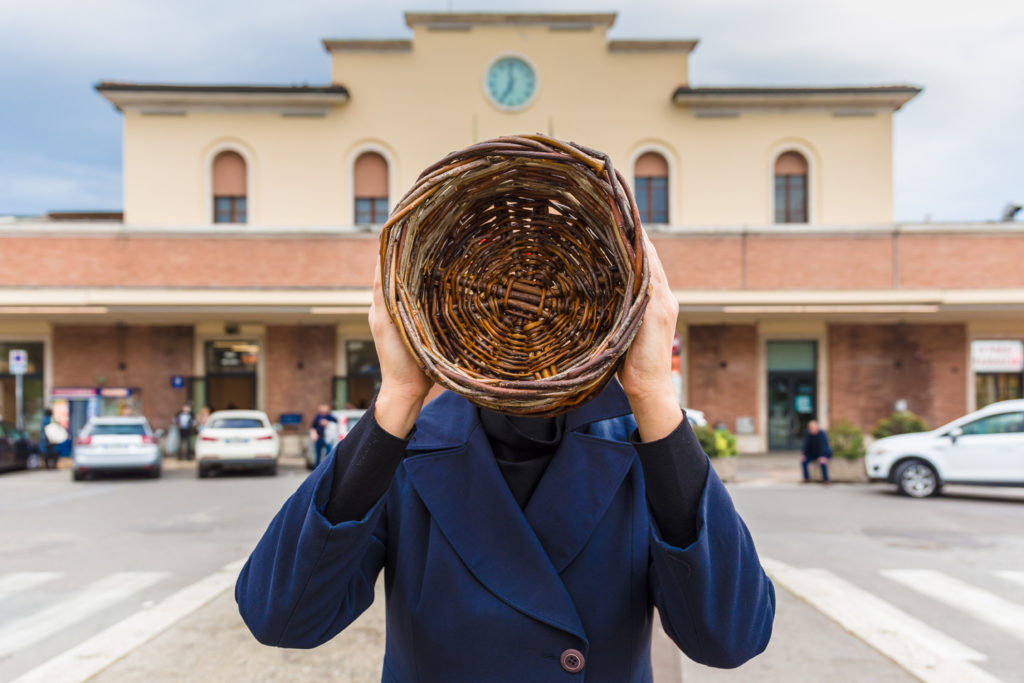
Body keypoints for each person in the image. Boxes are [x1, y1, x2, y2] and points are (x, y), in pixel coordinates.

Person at [236, 239, 775, 679]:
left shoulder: (642, 446)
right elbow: (282, 616)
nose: (525, 311)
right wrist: (399, 394)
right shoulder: (407, 447)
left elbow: (729, 636)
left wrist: (654, 392)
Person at [801, 419, 832, 483]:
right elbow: (806, 445)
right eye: (810, 428)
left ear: (817, 427)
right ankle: (806, 478)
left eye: (813, 428)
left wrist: (822, 456)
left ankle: (826, 479)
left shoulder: (822, 434)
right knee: (803, 461)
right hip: (813, 453)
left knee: (822, 462)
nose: (811, 429)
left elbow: (823, 446)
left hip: (824, 453)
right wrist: (804, 454)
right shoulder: (808, 433)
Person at [308, 403, 338, 468]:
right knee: (318, 455)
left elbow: (335, 425)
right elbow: (313, 426)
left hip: (327, 438)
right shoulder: (318, 416)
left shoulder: (330, 416)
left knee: (328, 454)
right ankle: (317, 468)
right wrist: (314, 434)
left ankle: (327, 467)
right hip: (319, 438)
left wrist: (327, 423)